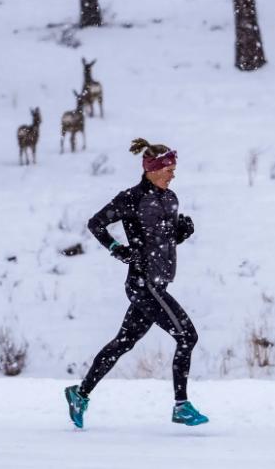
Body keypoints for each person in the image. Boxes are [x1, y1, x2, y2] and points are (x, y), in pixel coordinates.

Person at [64, 138, 209, 428]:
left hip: (159, 283)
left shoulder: (170, 198)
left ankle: (79, 394)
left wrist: (181, 232)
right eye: (169, 168)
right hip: (143, 284)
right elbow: (96, 223)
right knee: (187, 336)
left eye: (174, 169)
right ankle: (181, 405)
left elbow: (163, 240)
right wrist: (118, 250)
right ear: (152, 170)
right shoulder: (132, 198)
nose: (173, 174)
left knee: (123, 343)